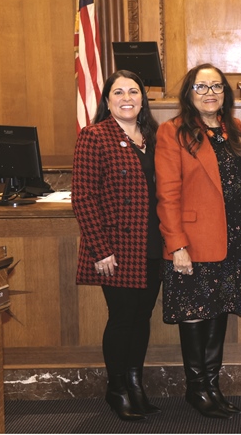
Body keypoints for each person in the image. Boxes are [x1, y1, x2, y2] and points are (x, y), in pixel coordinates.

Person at [156, 63, 241, 419]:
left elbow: (240, 180)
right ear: (189, 93)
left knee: (219, 313)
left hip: (233, 237)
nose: (210, 92)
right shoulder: (173, 132)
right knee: (195, 316)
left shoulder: (235, 128)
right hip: (194, 240)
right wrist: (176, 245)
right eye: (201, 87)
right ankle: (196, 388)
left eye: (216, 86)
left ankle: (213, 386)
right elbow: (167, 195)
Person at [73, 70, 163, 422]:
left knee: (142, 318)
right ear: (107, 100)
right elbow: (83, 197)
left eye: (134, 91)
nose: (127, 98)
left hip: (152, 243)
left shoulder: (153, 137)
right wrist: (100, 249)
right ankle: (117, 388)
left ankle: (136, 383)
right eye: (118, 92)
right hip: (116, 248)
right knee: (122, 318)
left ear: (143, 99)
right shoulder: (94, 136)